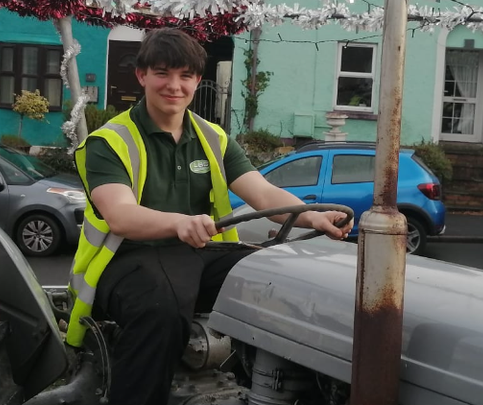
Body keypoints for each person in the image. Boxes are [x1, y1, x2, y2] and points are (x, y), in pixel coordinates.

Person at [64, 27, 353, 405]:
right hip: (129, 257)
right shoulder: (108, 142)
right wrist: (179, 222)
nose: (174, 86)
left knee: (288, 281)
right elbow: (120, 215)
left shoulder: (213, 138)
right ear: (142, 75)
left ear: (197, 81)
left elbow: (263, 193)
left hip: (199, 253)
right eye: (163, 73)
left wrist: (312, 217)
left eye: (185, 75)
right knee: (161, 309)